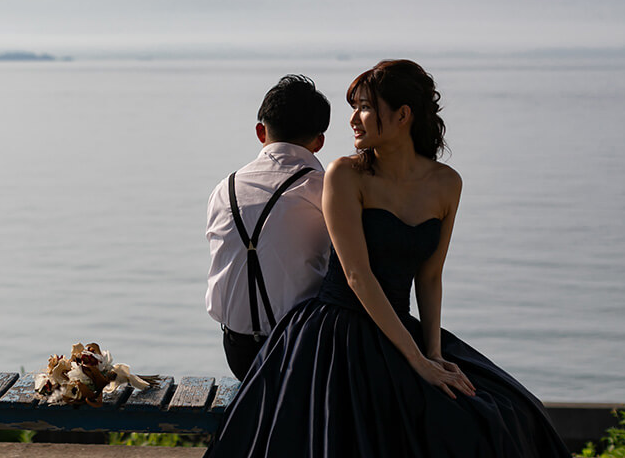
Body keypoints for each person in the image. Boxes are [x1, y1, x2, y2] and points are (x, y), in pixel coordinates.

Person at [204, 59, 569, 457]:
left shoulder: (447, 183)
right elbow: (357, 275)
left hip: (397, 328)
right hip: (335, 333)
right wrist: (416, 361)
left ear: (402, 115)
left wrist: (433, 353)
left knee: (511, 413)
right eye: (354, 107)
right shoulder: (343, 174)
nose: (352, 120)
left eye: (363, 107)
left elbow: (430, 278)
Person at [205, 74, 332, 379]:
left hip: (238, 353)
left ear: (261, 132)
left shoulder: (225, 188)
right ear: (319, 141)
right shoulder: (323, 189)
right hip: (300, 350)